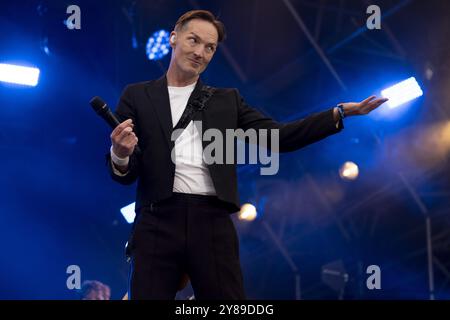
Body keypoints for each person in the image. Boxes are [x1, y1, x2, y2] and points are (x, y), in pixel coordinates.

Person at [107, 10, 388, 300]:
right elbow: (125, 173)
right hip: (157, 220)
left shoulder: (226, 100)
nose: (200, 52)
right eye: (194, 40)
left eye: (210, 47)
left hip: (212, 221)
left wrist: (337, 113)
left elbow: (280, 137)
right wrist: (120, 153)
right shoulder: (137, 96)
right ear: (173, 38)